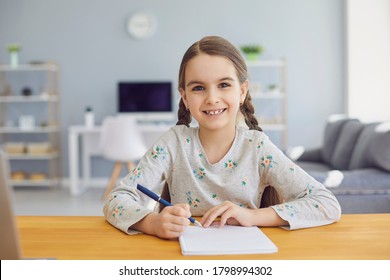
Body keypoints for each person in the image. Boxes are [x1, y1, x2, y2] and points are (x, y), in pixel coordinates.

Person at [103, 36, 341, 239]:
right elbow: (116, 199)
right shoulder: (173, 143)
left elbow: (326, 204)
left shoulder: (257, 147)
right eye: (198, 88)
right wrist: (152, 223)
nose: (212, 98)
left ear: (243, 91)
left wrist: (252, 216)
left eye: (224, 84)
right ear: (184, 97)